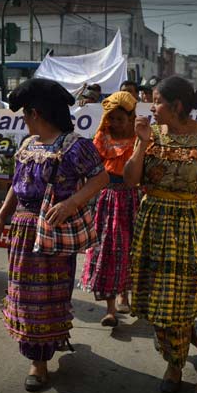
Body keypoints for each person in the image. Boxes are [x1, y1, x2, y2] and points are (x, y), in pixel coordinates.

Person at [0, 78, 108, 392]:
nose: (24, 121)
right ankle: (37, 357)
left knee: (48, 297)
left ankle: (40, 359)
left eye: (26, 115)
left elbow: (101, 177)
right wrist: (1, 219)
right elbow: (16, 186)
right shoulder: (28, 145)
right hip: (23, 231)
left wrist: (71, 203)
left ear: (36, 113)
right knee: (23, 296)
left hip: (53, 234)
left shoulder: (75, 146)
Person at [123, 76, 197, 393]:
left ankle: (174, 362)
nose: (150, 107)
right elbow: (130, 180)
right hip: (152, 222)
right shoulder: (150, 134)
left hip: (188, 227)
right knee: (155, 296)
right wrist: (141, 143)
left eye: (155, 100)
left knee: (178, 297)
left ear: (177, 106)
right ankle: (176, 345)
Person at [79, 91, 140, 326]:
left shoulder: (141, 140)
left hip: (133, 200)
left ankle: (127, 294)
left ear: (131, 118)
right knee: (106, 251)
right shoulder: (101, 138)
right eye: (111, 118)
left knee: (130, 249)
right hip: (106, 201)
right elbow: (92, 171)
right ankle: (111, 309)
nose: (114, 123)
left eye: (120, 119)